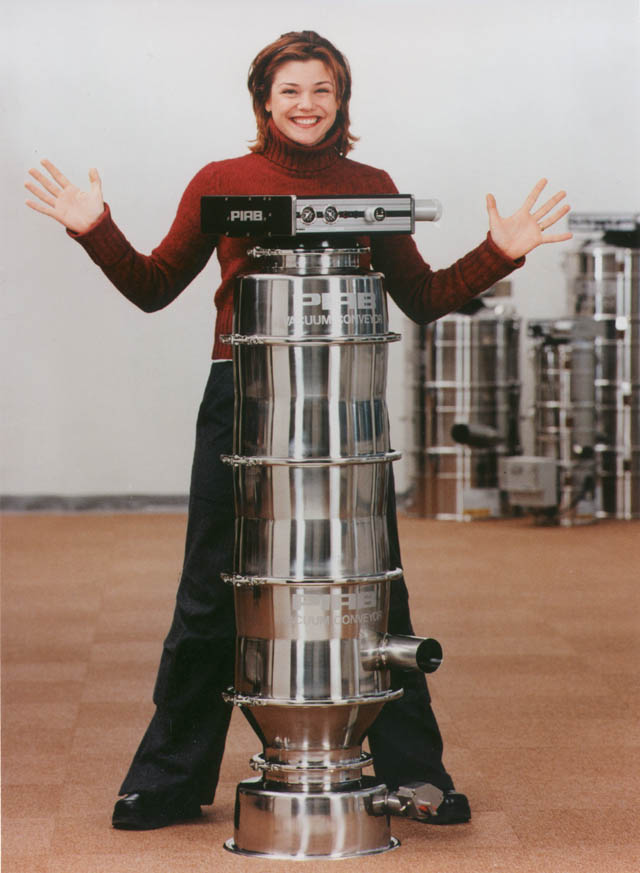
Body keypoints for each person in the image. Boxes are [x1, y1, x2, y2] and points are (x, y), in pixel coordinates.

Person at [25, 30, 571, 832]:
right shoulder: (222, 181)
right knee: (211, 589)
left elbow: (421, 296)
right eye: (290, 90)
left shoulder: (370, 186)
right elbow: (153, 285)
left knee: (375, 584)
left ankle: (417, 774)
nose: (306, 104)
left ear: (341, 99)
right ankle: (167, 780)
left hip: (344, 406)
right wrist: (94, 227)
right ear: (264, 101)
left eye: (321, 89)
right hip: (242, 397)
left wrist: (501, 252)